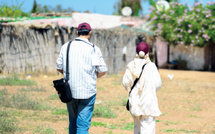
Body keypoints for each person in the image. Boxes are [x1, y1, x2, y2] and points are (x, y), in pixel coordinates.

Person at [56, 22, 107, 134]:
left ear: (77, 32)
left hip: (69, 90)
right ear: (90, 33)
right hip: (88, 91)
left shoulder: (66, 47)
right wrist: (93, 76)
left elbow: (59, 67)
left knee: (73, 122)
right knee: (83, 126)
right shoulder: (94, 49)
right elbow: (103, 70)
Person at [122, 42, 162, 134]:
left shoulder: (131, 65)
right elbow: (158, 84)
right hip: (148, 102)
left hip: (134, 102)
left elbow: (126, 83)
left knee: (137, 128)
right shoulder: (152, 66)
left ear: (136, 51)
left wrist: (130, 89)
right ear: (147, 52)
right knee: (148, 128)